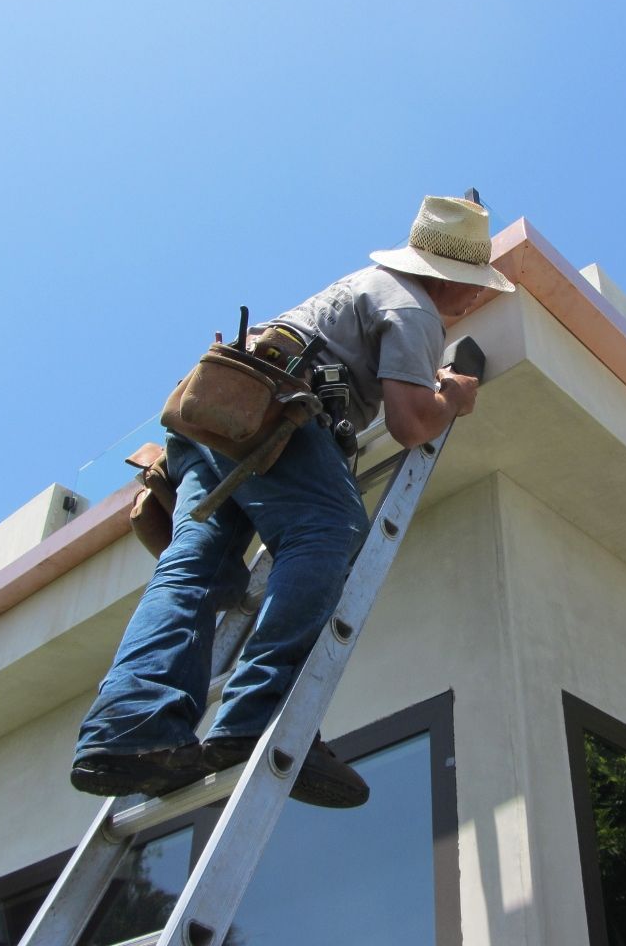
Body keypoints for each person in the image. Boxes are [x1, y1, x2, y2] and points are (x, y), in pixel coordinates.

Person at [71, 196, 514, 807]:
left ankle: (131, 728)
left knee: (192, 567)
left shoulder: (363, 286)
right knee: (329, 528)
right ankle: (261, 720)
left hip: (211, 412)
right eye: (471, 289)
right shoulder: (412, 308)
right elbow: (412, 423)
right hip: (272, 418)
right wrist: (455, 398)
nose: (472, 302)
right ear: (449, 281)